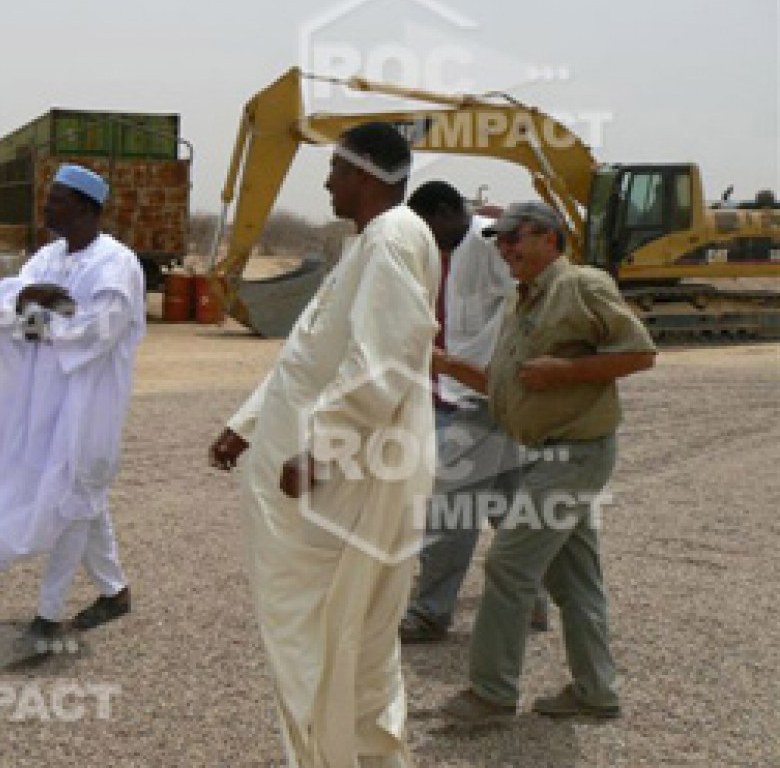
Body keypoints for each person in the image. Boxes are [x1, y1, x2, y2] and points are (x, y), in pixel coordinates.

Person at [209, 123, 439, 768]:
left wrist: (322, 450)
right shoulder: (372, 242)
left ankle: (338, 754)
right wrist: (248, 423)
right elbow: (312, 354)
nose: (328, 182)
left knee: (332, 633)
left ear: (362, 174)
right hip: (339, 475)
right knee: (340, 638)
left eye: (335, 170)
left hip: (346, 485)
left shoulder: (392, 238)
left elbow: (384, 358)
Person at [436, 201, 656, 724]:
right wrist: (441, 363)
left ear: (550, 239)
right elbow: (505, 383)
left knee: (508, 565)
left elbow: (641, 353)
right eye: (498, 239)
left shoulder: (581, 285)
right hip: (546, 455)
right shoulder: (523, 300)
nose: (504, 248)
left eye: (515, 237)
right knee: (575, 581)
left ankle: (491, 695)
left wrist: (565, 372)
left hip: (573, 455)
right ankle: (595, 692)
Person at [0, 164, 145, 654]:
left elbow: (95, 332)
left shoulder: (116, 265)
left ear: (86, 208)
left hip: (92, 402)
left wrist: (36, 315)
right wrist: (32, 300)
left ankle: (47, 617)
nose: (46, 207)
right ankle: (115, 592)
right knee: (84, 493)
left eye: (57, 200)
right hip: (45, 400)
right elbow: (6, 310)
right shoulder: (47, 257)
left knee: (75, 496)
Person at [399, 181, 548, 643]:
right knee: (508, 507)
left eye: (427, 227)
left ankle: (430, 612)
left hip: (479, 398)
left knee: (451, 511)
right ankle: (531, 602)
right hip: (464, 394)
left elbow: (533, 298)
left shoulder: (491, 245)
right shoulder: (443, 253)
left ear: (446, 212)